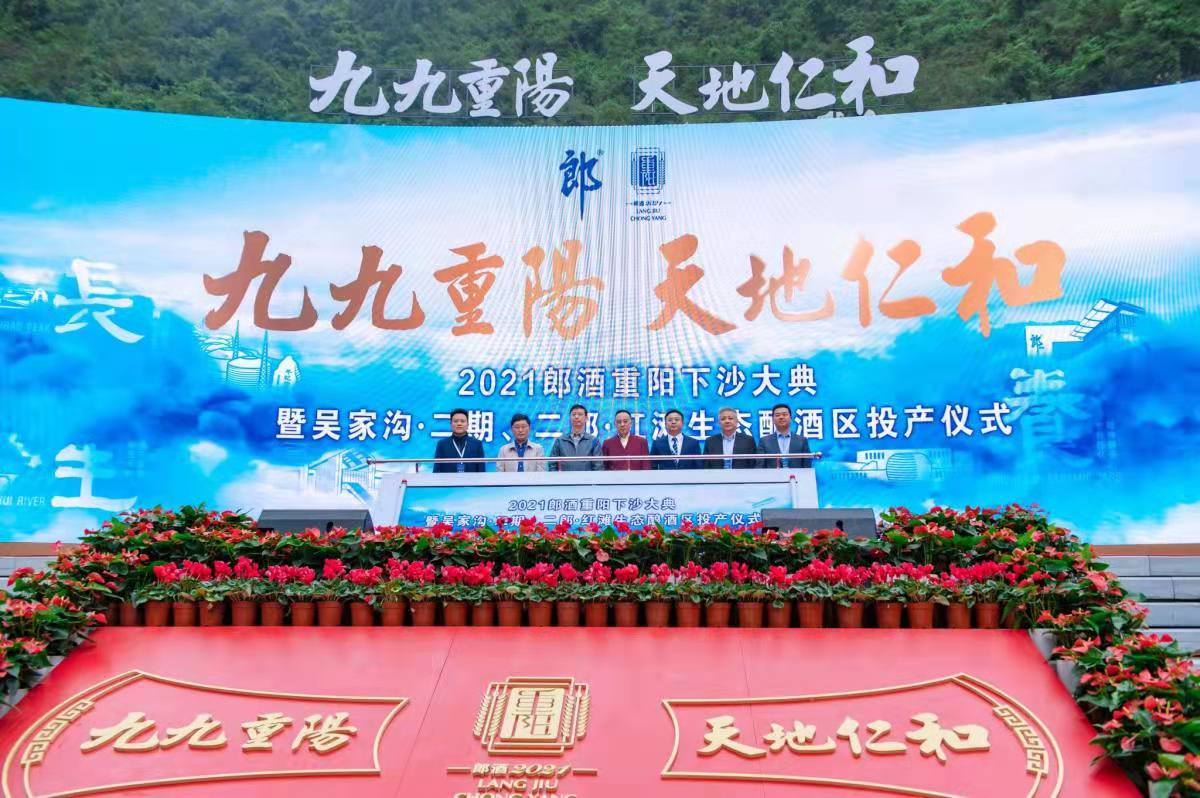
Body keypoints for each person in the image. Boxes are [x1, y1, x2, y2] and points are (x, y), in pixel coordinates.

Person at [549, 404, 602, 471]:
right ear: (570, 418)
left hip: (587, 478)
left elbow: (598, 466)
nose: (576, 417)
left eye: (580, 414)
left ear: (586, 418)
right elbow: (552, 464)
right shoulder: (560, 440)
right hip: (566, 478)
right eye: (573, 414)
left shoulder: (593, 441)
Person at [757, 403, 812, 468]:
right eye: (777, 415)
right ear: (773, 420)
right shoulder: (764, 441)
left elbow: (807, 466)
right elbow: (760, 467)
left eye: (785, 414)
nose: (781, 417)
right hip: (772, 474)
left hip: (796, 475)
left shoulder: (802, 441)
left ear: (790, 418)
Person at [432, 408, 486, 472]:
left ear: (468, 424)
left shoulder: (477, 444)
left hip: (471, 478)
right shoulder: (442, 444)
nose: (459, 424)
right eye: (456, 421)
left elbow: (481, 470)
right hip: (448, 478)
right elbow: (436, 470)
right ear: (451, 424)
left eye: (462, 421)